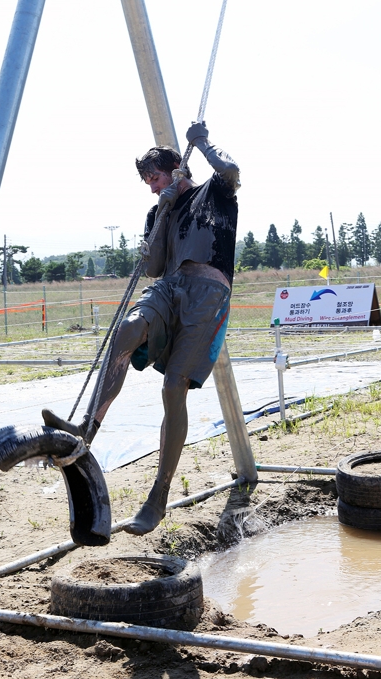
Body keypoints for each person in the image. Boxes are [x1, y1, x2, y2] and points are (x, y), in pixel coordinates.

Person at [41, 121, 240, 535]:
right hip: (169, 287)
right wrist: (163, 213)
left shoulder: (215, 193)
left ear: (175, 168)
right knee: (127, 330)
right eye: (147, 181)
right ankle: (86, 427)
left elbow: (231, 171)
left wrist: (201, 143)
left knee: (174, 388)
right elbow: (152, 268)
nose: (150, 187)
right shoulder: (158, 209)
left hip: (208, 292)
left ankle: (159, 496)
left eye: (155, 178)